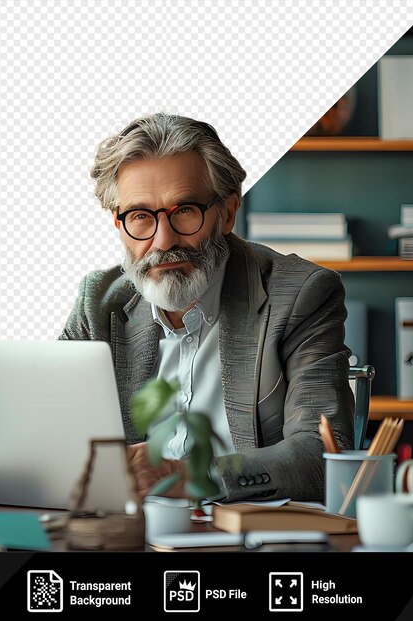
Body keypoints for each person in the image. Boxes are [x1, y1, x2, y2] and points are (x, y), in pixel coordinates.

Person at [59, 113, 354, 503]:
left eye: (184, 211)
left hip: (248, 540)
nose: (163, 241)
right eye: (141, 217)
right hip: (129, 539)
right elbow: (49, 433)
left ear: (227, 213)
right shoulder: (98, 303)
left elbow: (321, 455)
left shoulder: (300, 295)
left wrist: (188, 477)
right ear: (119, 225)